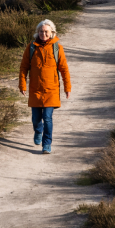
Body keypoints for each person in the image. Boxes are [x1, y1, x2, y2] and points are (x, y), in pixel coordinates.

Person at [18, 19, 70, 154]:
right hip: (35, 89)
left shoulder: (57, 48)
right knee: (36, 118)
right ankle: (38, 130)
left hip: (51, 89)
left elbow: (64, 69)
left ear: (52, 32)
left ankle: (47, 144)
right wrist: (22, 84)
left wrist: (67, 87)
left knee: (47, 117)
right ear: (38, 32)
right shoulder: (31, 47)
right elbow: (24, 68)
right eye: (41, 31)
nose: (43, 34)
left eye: (46, 31)